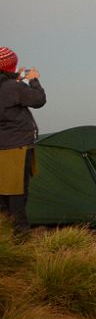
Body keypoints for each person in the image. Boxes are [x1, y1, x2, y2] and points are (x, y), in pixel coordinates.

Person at [0, 49, 45, 238]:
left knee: (2, 190)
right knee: (18, 190)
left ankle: (5, 229)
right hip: (17, 146)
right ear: (11, 65)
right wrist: (33, 79)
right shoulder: (14, 88)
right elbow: (38, 100)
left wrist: (15, 78)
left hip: (2, 145)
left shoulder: (9, 86)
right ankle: (21, 232)